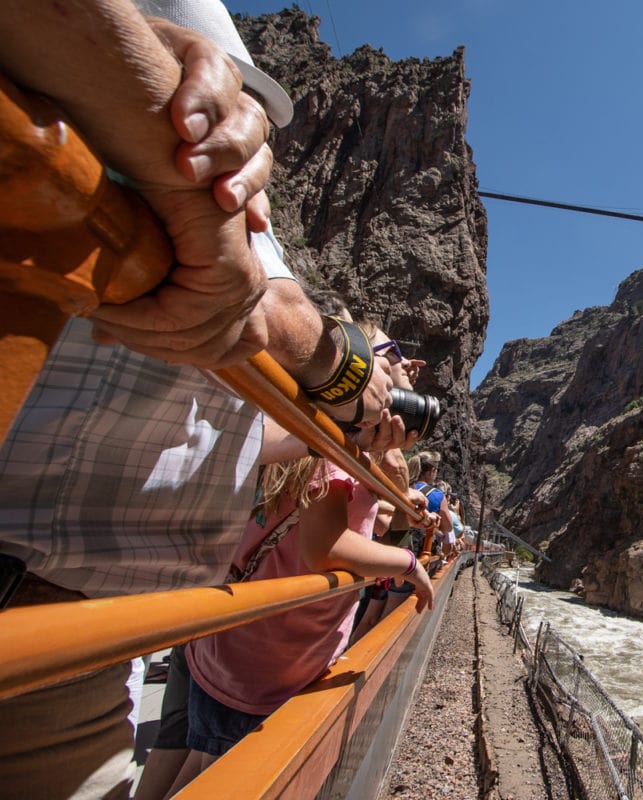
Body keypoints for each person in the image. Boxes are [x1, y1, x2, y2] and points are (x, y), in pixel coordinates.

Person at [0, 2, 404, 797]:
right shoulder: (194, 187)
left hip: (109, 631)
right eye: (226, 99)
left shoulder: (231, 201)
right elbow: (284, 321)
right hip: (59, 624)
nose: (245, 129)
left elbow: (253, 408)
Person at [162, 450, 434, 793]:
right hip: (263, 668)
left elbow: (370, 520)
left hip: (235, 655)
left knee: (201, 773)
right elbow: (329, 547)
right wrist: (410, 563)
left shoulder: (322, 454)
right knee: (218, 783)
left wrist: (396, 494)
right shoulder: (334, 457)